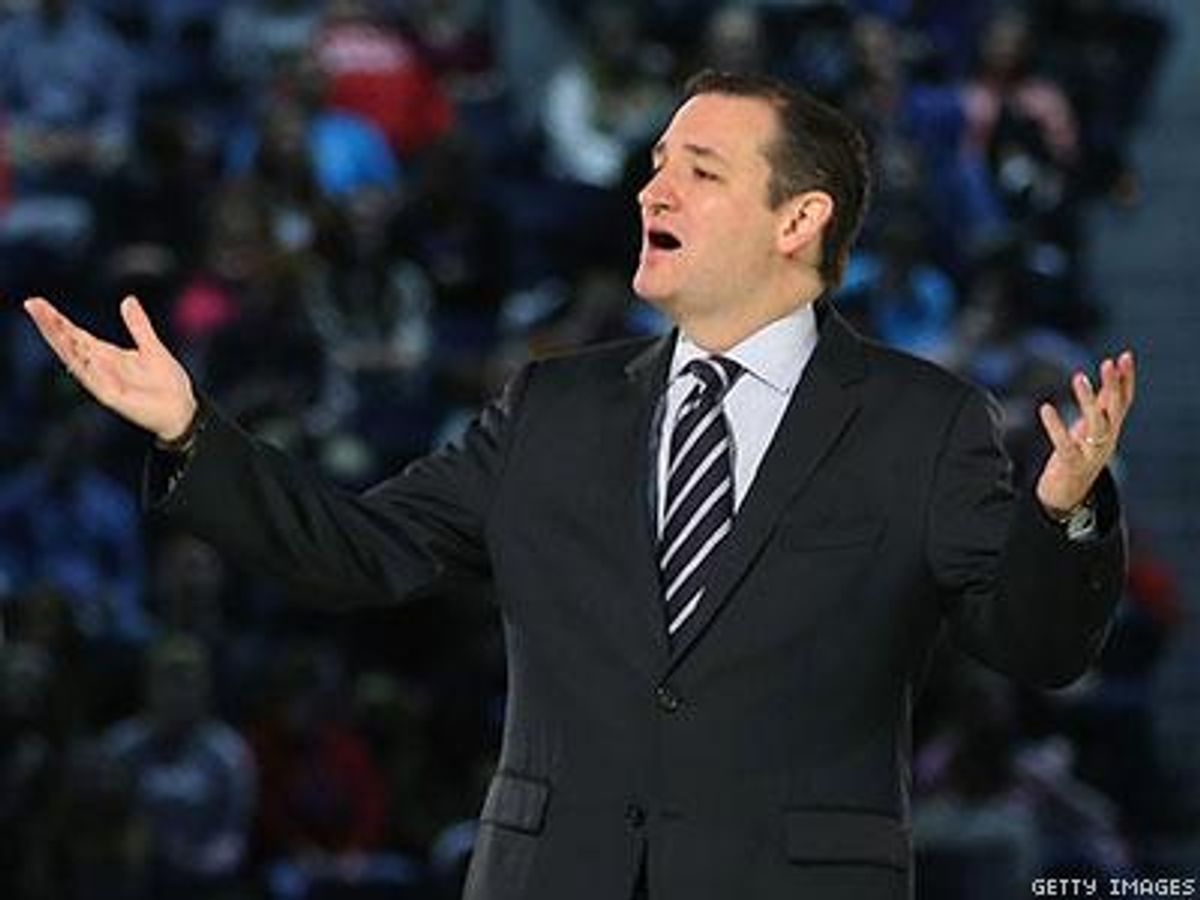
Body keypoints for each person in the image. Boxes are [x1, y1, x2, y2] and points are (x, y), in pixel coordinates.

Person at [24, 70, 1134, 900]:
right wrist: (191, 431)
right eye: (656, 162)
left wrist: (1064, 509)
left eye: (700, 171)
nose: (653, 188)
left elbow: (1035, 645)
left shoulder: (919, 420)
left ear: (799, 221)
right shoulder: (550, 406)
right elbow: (357, 553)